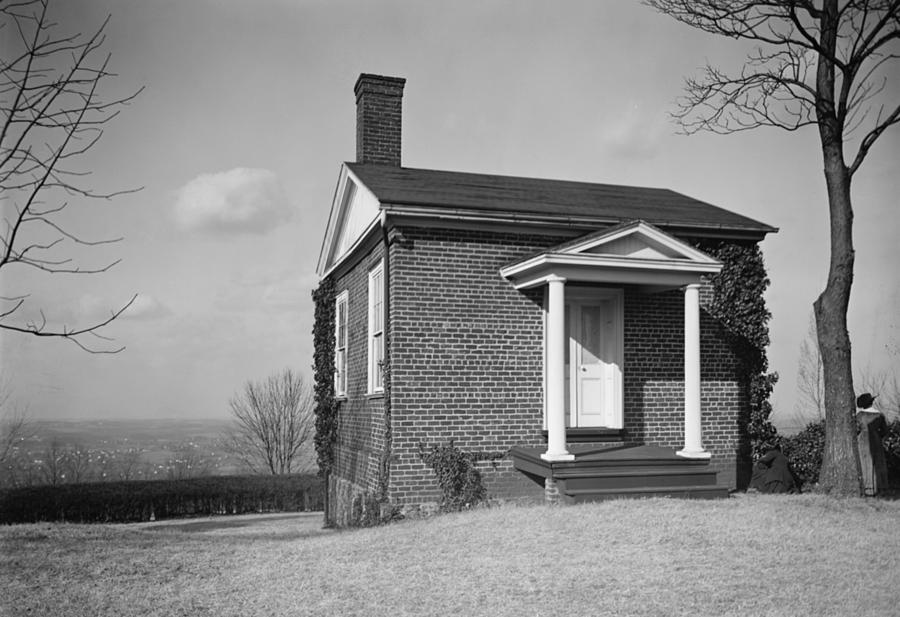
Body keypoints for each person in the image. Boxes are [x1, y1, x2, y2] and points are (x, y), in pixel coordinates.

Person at [856, 392, 888, 497]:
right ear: (871, 402)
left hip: (862, 440)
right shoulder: (879, 415)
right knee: (877, 462)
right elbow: (884, 431)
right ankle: (880, 487)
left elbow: (855, 429)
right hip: (876, 439)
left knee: (864, 462)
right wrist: (877, 436)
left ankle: (867, 487)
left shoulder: (859, 415)